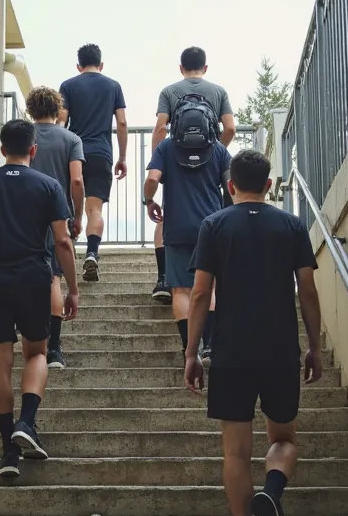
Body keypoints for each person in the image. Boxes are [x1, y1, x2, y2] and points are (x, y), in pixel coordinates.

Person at [184, 149, 323, 516]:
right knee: (282, 441)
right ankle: (273, 494)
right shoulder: (291, 225)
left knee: (236, 454)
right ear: (268, 185)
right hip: (280, 351)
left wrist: (192, 352)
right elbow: (308, 292)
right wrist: (314, 346)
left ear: (230, 185)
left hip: (231, 354)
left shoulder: (215, 225)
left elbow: (201, 293)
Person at [0, 118, 79, 475]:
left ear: (1, 149)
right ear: (34, 150)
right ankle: (27, 423)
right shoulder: (48, 185)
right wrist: (72, 289)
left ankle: (8, 450)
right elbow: (63, 241)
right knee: (37, 352)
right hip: (33, 277)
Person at [144, 92, 232, 365]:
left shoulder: (166, 148)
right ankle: (210, 348)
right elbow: (232, 187)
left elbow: (152, 178)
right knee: (210, 288)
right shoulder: (218, 149)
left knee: (181, 289)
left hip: (177, 227)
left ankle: (189, 348)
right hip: (212, 227)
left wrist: (149, 200)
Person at [151, 47, 236, 303]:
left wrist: (162, 159)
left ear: (181, 67)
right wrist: (215, 151)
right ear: (205, 67)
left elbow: (160, 127)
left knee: (166, 216)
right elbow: (230, 127)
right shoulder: (218, 91)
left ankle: (163, 277)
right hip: (209, 163)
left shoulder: (169, 91)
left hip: (174, 161)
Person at [27, 85, 85, 371]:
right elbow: (76, 181)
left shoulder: (23, 137)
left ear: (30, 110)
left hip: (23, 216)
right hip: (56, 217)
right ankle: (54, 350)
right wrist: (77, 215)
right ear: (57, 109)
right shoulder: (72, 139)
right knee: (53, 279)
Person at [58, 43, 127, 281]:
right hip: (101, 153)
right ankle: (92, 253)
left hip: (73, 154)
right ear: (102, 64)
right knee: (94, 208)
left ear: (78, 65)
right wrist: (122, 157)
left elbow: (61, 122)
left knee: (67, 206)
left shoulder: (68, 86)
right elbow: (122, 124)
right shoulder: (113, 86)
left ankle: (62, 260)